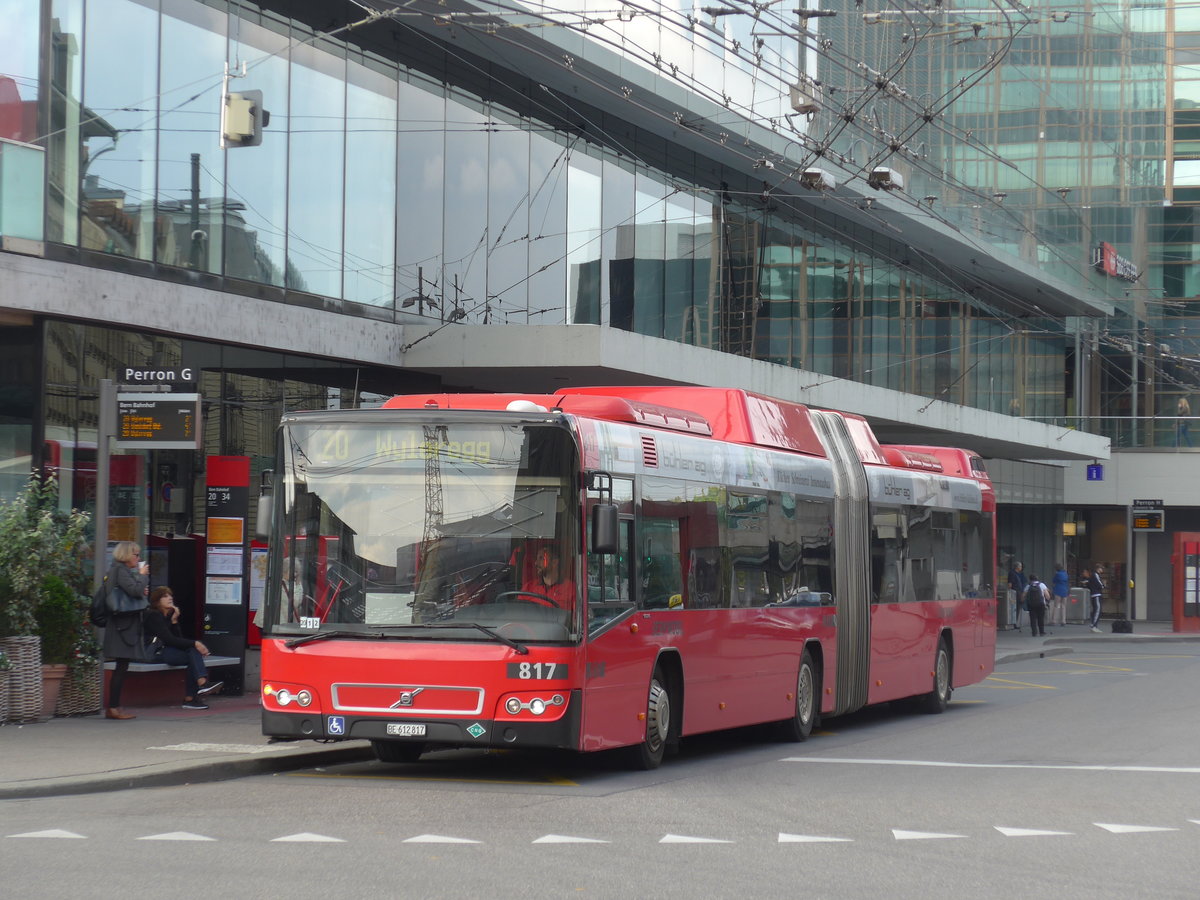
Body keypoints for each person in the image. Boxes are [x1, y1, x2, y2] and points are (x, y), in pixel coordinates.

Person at [144, 587, 222, 710]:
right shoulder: (153, 615)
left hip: (166, 651)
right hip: (154, 653)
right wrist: (195, 643)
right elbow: (169, 640)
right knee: (192, 650)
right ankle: (196, 690)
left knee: (192, 653)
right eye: (165, 596)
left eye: (170, 595)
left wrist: (174, 621)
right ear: (157, 601)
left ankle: (193, 695)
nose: (170, 598)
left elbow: (177, 639)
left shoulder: (167, 616)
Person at [101, 541, 149, 720]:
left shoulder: (121, 571)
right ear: (126, 555)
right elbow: (135, 591)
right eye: (136, 554)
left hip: (123, 624)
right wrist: (143, 576)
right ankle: (113, 707)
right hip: (122, 625)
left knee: (122, 665)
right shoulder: (119, 570)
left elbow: (133, 591)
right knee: (121, 667)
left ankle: (115, 706)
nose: (138, 558)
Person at [1007, 561, 1027, 632]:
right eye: (1020, 566)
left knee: (1018, 607)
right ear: (1017, 567)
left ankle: (1015, 622)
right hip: (1014, 592)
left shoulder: (1020, 574)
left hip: (1019, 592)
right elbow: (1010, 584)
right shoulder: (1012, 573)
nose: (1021, 568)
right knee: (1014, 607)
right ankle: (1013, 623)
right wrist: (1010, 592)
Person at [1085, 565, 1105, 633]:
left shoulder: (1093, 575)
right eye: (1101, 568)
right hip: (1097, 594)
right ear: (1098, 569)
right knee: (1097, 610)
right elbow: (1099, 584)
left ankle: (1093, 624)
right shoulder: (1096, 575)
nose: (1102, 570)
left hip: (1093, 594)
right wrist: (1103, 585)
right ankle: (1094, 626)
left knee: (1095, 610)